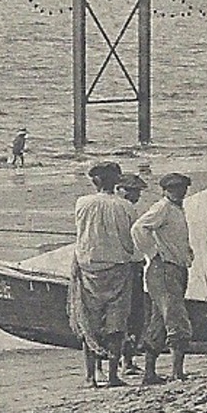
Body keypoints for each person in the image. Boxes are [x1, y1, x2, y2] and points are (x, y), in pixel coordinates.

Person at [69, 161, 137, 388]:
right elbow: (131, 239)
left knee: (88, 321)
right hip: (118, 268)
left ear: (95, 181)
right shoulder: (126, 207)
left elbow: (82, 235)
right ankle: (113, 375)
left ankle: (90, 377)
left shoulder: (82, 203)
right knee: (116, 323)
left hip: (88, 268)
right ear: (116, 181)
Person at [131, 172, 194, 384]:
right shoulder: (163, 208)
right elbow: (139, 228)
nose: (180, 191)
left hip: (174, 268)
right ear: (165, 190)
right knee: (177, 320)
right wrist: (153, 253)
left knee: (158, 321)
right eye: (175, 188)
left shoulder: (176, 208)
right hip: (163, 270)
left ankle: (150, 373)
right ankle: (177, 372)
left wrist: (186, 253)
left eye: (183, 188)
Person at [115, 172, 150, 372]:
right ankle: (125, 360)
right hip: (127, 266)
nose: (136, 195)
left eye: (137, 192)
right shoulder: (126, 209)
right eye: (131, 191)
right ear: (119, 189)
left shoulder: (129, 209)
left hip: (130, 265)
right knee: (131, 314)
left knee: (131, 314)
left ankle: (126, 360)